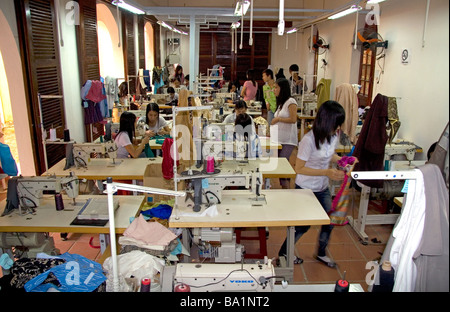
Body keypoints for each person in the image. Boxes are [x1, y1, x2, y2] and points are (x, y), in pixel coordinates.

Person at [277, 100, 349, 268]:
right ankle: (283, 253)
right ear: (327, 122)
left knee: (328, 222)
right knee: (302, 226)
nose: (338, 128)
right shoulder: (308, 141)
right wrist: (327, 172)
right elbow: (299, 168)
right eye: (336, 124)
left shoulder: (333, 136)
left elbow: (329, 155)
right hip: (305, 188)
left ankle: (321, 253)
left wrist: (343, 160)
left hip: (322, 188)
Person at [270, 78, 298, 189]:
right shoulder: (282, 103)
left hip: (288, 140)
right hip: (279, 139)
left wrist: (278, 119)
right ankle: (283, 187)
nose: (274, 90)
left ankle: (286, 188)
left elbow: (293, 119)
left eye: (276, 87)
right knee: (279, 165)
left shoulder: (291, 102)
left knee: (282, 164)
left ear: (283, 88)